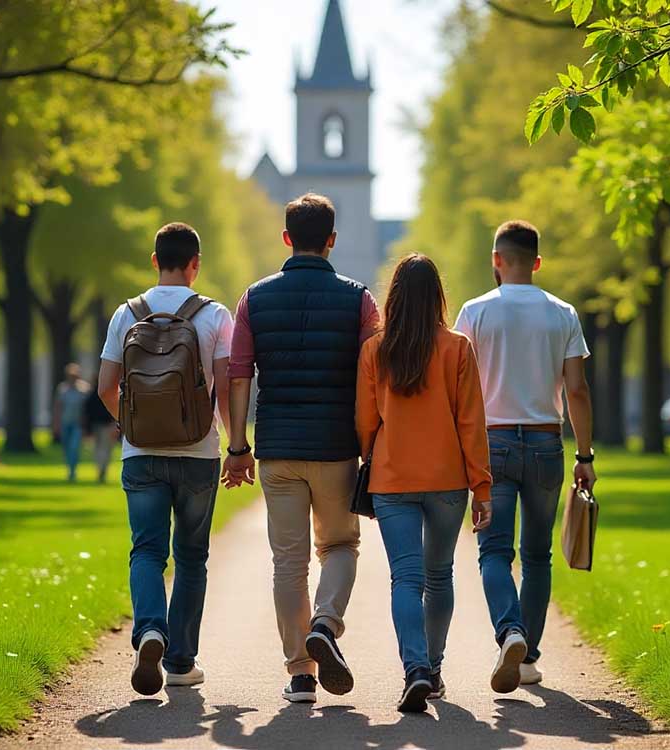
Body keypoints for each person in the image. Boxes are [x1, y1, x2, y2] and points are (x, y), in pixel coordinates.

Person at [223, 193, 380, 704]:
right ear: (331, 240)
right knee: (340, 546)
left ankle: (300, 674)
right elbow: (373, 376)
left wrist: (238, 446)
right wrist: (372, 442)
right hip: (336, 446)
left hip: (278, 448)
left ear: (286, 238)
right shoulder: (360, 300)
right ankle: (326, 624)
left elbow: (239, 376)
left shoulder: (254, 299)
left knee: (288, 563)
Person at [454, 220, 596, 689]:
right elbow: (577, 390)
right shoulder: (563, 314)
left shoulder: (475, 312)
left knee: (494, 551)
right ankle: (528, 656)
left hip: (490, 444)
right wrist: (585, 456)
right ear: (537, 262)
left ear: (496, 260)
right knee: (537, 556)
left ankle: (509, 631)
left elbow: (458, 387)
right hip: (544, 443)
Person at [98, 222, 234, 695]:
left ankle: (150, 631)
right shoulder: (214, 315)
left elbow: (106, 387)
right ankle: (180, 662)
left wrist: (134, 424)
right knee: (192, 557)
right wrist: (237, 446)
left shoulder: (126, 314)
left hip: (141, 456)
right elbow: (226, 389)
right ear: (196, 264)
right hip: (198, 453)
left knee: (146, 551)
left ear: (155, 261)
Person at [355, 253, 493, 713]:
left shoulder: (376, 350)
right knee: (439, 575)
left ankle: (414, 668)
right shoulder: (457, 348)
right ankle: (433, 669)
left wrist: (372, 456)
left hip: (392, 477)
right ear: (438, 297)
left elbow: (365, 422)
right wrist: (482, 487)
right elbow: (471, 422)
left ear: (394, 298)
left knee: (406, 578)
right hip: (447, 479)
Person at [52, 364, 89, 482]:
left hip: (78, 424)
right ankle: (69, 468)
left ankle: (73, 471)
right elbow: (58, 407)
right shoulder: (62, 389)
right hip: (65, 422)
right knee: (66, 448)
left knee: (74, 447)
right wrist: (56, 424)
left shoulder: (84, 389)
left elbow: (87, 409)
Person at [85, 386, 117, 484]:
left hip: (98, 425)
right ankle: (102, 469)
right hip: (106, 425)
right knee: (105, 449)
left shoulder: (92, 395)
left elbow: (88, 411)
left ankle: (100, 469)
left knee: (99, 449)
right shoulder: (109, 393)